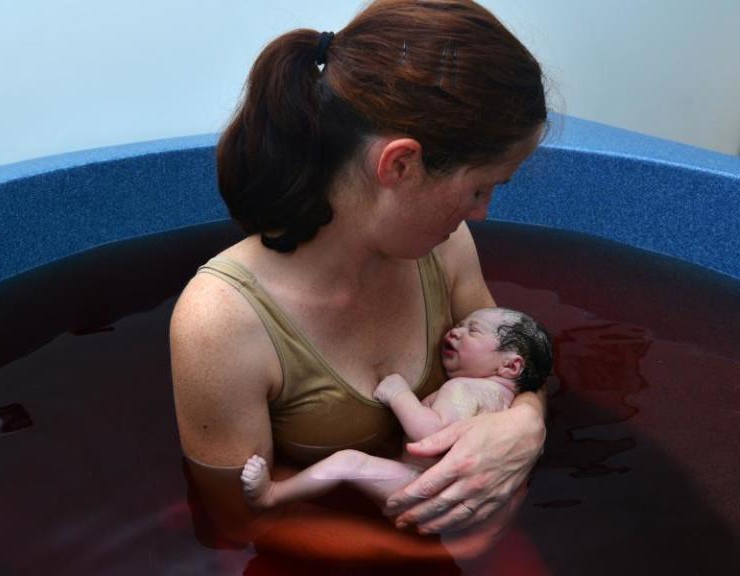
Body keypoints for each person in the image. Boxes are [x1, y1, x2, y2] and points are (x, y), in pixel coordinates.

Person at [170, 0, 549, 562]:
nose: (482, 213)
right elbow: (237, 517)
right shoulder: (222, 320)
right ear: (400, 165)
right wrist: (425, 553)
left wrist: (526, 426)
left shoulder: (444, 249)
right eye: (478, 189)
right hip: (326, 556)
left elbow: (513, 360)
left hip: (445, 517)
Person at [239, 307, 553, 511]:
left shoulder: (465, 388)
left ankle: (271, 495)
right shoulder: (507, 404)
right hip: (475, 503)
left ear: (511, 365)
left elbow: (431, 436)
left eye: (473, 331)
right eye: (458, 324)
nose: (455, 331)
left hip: (420, 490)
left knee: (347, 462)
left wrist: (398, 392)